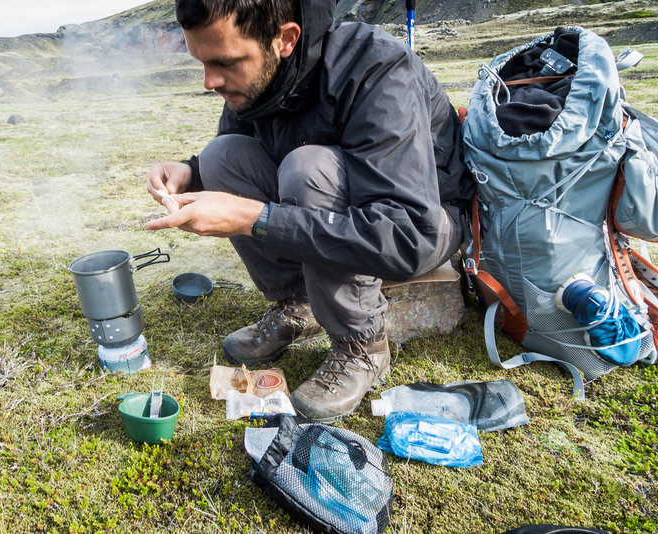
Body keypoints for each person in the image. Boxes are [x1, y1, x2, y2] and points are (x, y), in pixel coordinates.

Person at [144, 0, 474, 422]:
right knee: (220, 156)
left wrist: (254, 219)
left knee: (307, 170)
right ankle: (299, 305)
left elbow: (409, 234)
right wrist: (189, 172)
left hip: (427, 223)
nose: (210, 81)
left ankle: (362, 343)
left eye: (224, 62)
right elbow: (241, 160)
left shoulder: (376, 68)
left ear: (285, 39)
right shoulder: (258, 76)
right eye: (202, 62)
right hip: (352, 216)